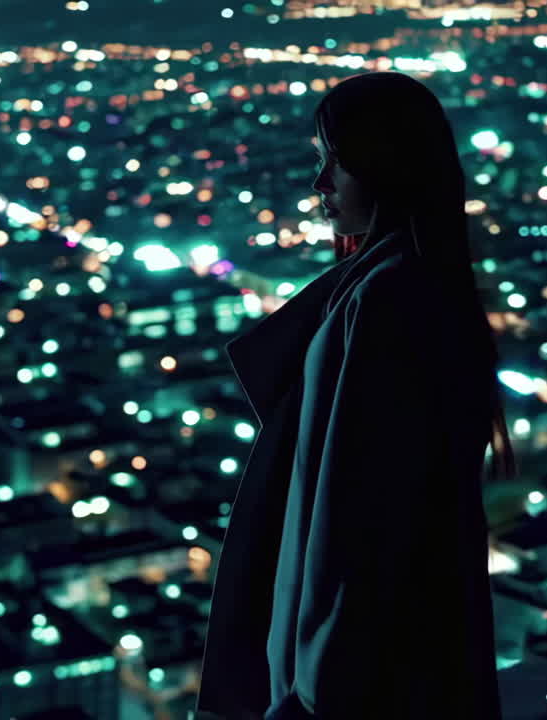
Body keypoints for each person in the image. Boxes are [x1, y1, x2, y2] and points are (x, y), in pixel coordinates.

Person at [193, 71, 517, 720]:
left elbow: (355, 517)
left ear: (384, 164)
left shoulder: (388, 297)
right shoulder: (400, 283)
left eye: (333, 163)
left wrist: (317, 691)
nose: (320, 186)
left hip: (359, 675)